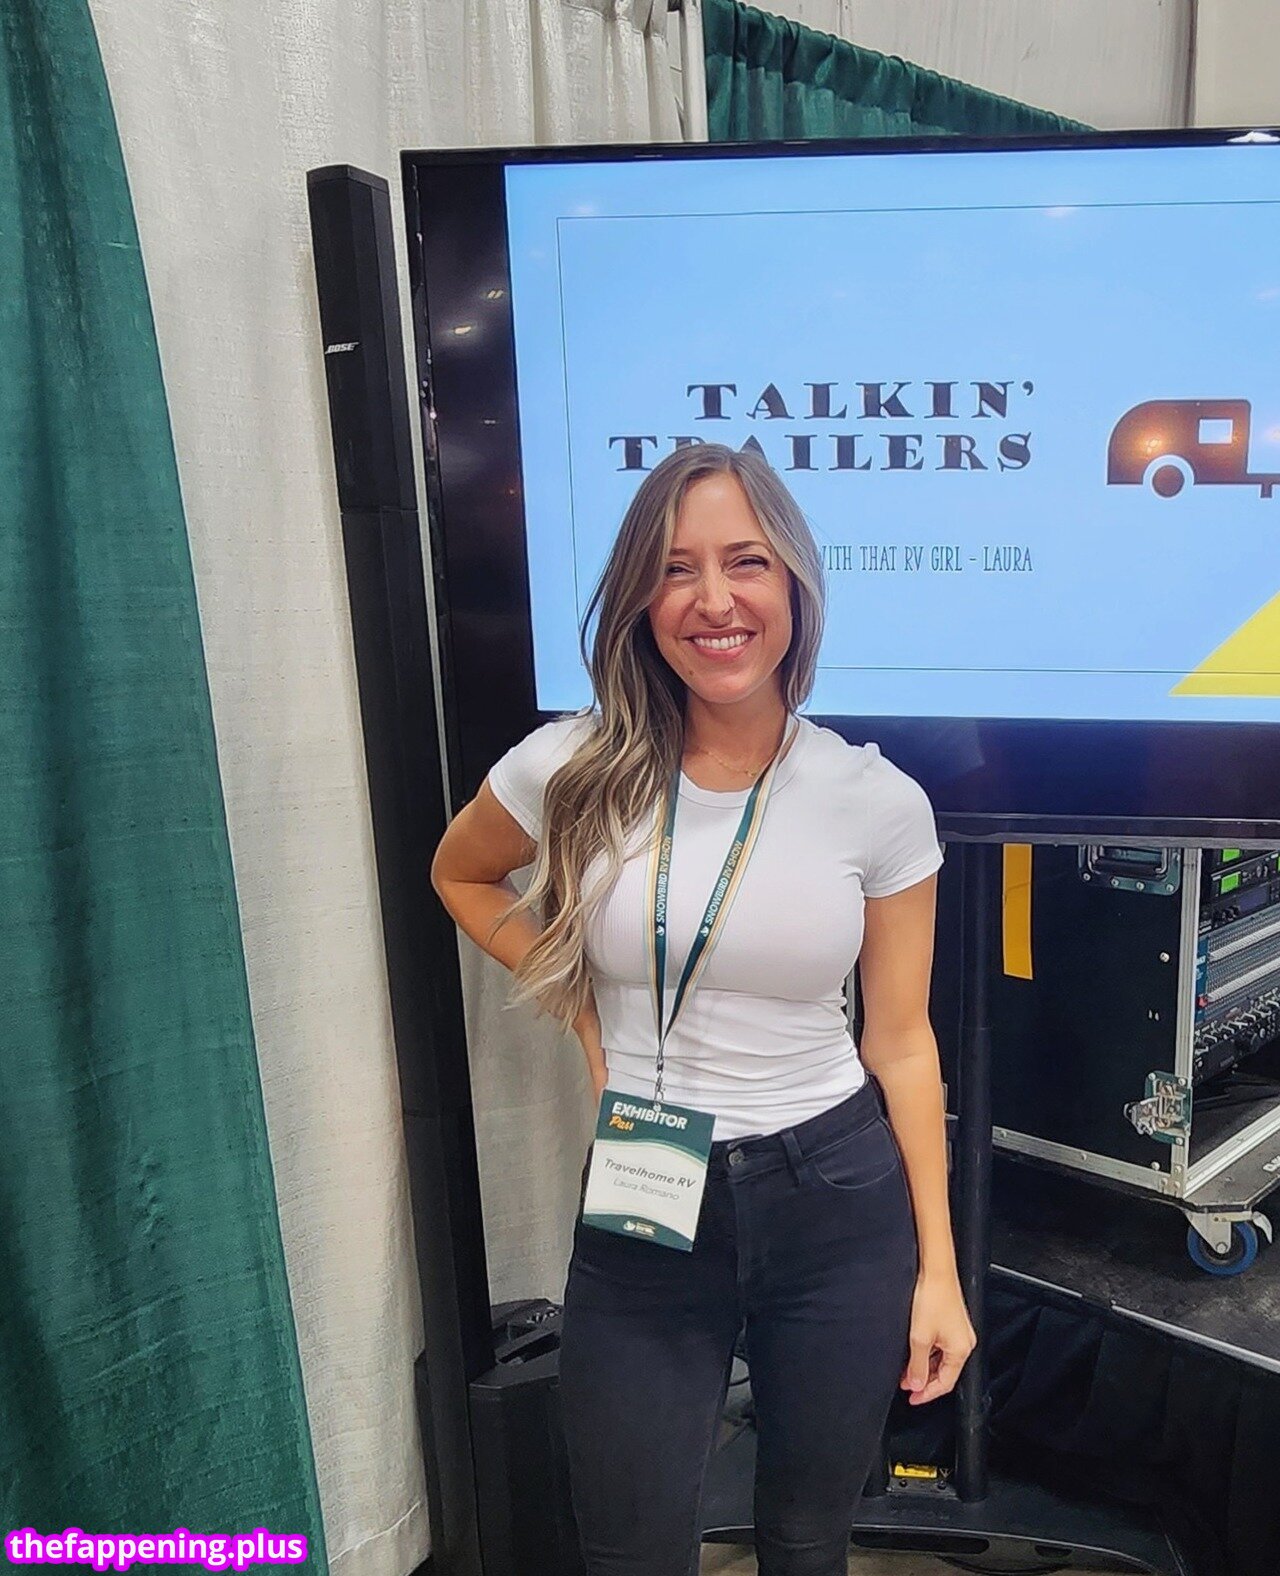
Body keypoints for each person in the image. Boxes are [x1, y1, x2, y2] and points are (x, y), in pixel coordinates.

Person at [430, 442, 975, 1576]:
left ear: (795, 586)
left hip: (833, 1196)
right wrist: (581, 1006)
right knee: (628, 1546)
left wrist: (938, 1271)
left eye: (746, 562)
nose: (714, 600)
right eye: (677, 568)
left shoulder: (875, 800)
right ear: (640, 596)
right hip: (648, 1187)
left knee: (808, 1542)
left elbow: (900, 1040)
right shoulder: (568, 768)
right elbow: (460, 874)